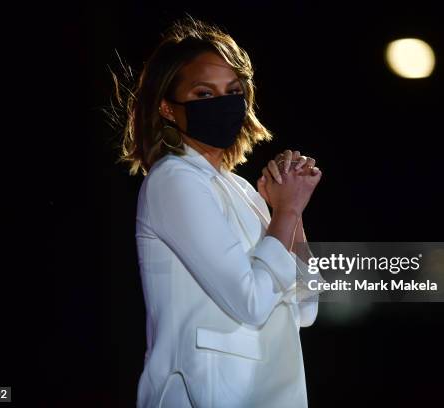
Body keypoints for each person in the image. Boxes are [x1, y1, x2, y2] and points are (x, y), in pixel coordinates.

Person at [111, 16, 323, 408]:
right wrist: (284, 211)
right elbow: (250, 300)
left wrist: (291, 214)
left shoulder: (240, 189)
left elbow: (306, 306)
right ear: (168, 108)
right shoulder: (173, 179)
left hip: (266, 393)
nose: (224, 103)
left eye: (234, 90)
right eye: (204, 94)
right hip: (200, 392)